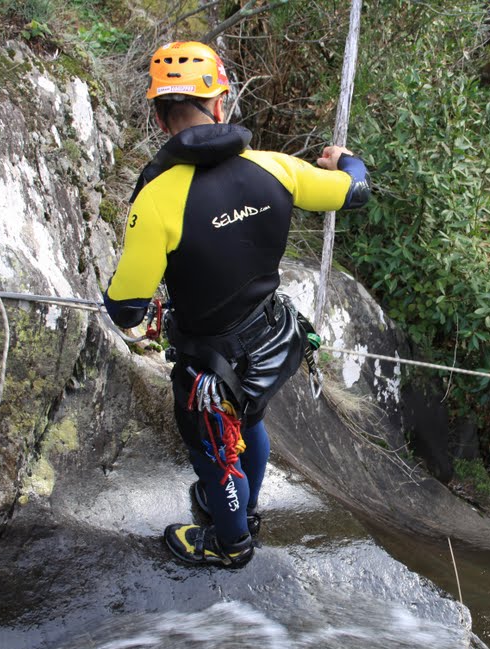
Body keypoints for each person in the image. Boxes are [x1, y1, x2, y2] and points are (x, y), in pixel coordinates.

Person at [103, 41, 370, 568]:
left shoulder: (157, 198)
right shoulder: (278, 170)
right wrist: (346, 160)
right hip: (271, 342)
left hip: (210, 365)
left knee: (213, 450)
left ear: (160, 119)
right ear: (220, 104)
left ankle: (231, 543)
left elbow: (127, 309)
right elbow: (356, 190)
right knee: (248, 425)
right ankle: (243, 511)